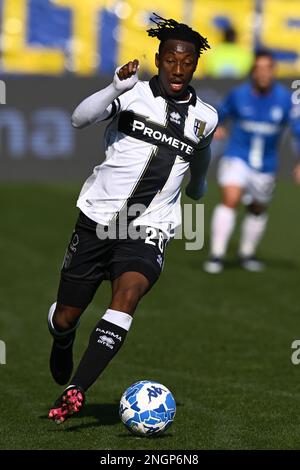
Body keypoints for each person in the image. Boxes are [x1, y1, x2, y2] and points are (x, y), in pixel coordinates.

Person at [47, 13, 218, 424]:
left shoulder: (206, 117)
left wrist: (198, 186)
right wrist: (112, 88)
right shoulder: (132, 94)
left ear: (195, 64)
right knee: (65, 315)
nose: (179, 70)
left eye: (188, 62)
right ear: (159, 60)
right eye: (172, 60)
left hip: (148, 228)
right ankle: (62, 337)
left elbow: (202, 154)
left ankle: (77, 390)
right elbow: (78, 118)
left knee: (128, 295)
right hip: (97, 221)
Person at [203, 50, 300, 274]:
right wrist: (216, 128)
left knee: (257, 207)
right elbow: (218, 114)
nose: (263, 73)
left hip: (266, 163)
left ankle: (246, 254)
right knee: (231, 198)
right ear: (253, 72)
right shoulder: (239, 94)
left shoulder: (285, 100)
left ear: (273, 71)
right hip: (237, 155)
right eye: (259, 68)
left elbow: (298, 130)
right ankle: (216, 255)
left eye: (268, 68)